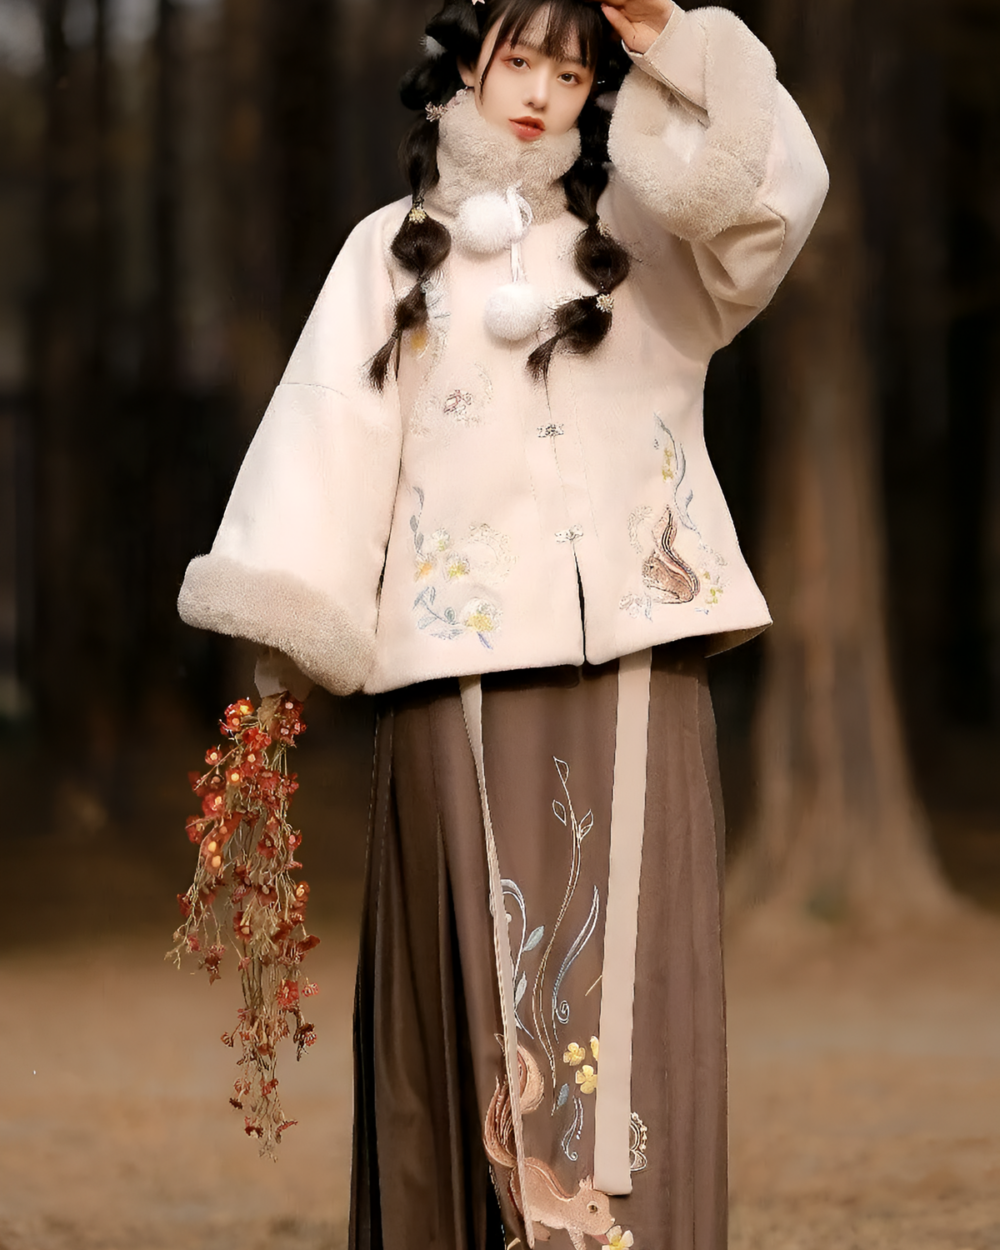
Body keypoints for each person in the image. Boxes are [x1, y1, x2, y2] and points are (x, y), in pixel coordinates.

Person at [178, 0, 828, 1246]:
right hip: (453, 683)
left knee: (632, 1000)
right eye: (517, 59)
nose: (539, 91)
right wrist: (283, 645)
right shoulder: (391, 253)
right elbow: (330, 435)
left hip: (638, 673)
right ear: (463, 63)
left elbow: (777, 193)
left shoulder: (644, 243)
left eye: (571, 70)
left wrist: (677, 41)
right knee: (473, 998)